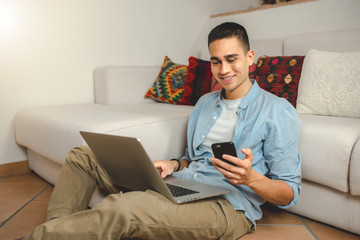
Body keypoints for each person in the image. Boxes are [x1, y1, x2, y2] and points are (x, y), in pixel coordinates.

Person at [25, 22, 301, 240]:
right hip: (184, 183)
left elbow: (290, 192)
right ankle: (59, 232)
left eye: (232, 59)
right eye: (216, 61)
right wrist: (172, 164)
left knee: (126, 209)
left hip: (227, 206)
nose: (224, 69)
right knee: (83, 155)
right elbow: (192, 158)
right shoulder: (205, 103)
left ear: (250, 57)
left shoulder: (277, 111)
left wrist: (252, 179)